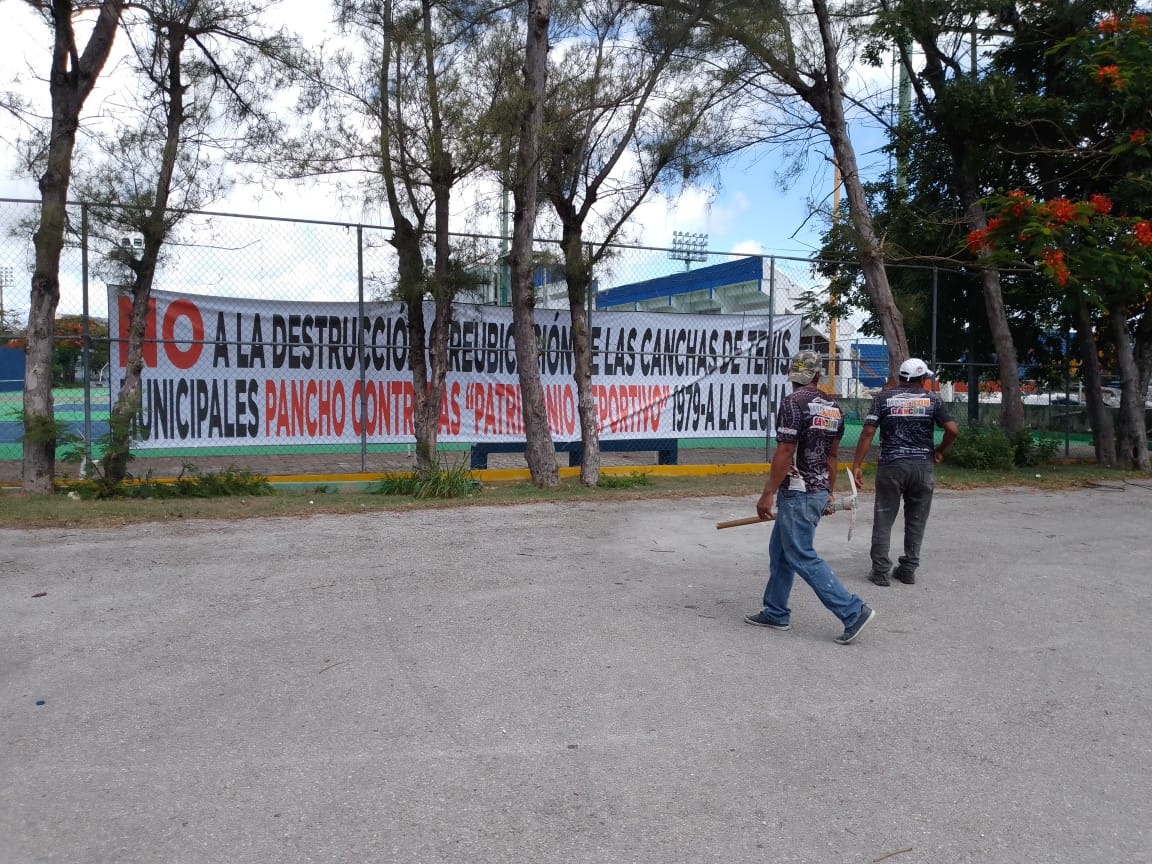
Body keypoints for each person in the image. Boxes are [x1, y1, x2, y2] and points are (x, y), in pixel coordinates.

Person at [744, 349, 876, 645]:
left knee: (801, 554)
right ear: (818, 376)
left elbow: (786, 451)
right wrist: (827, 494)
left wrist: (768, 494)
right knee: (781, 551)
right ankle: (776, 611)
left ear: (795, 377)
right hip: (815, 492)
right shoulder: (833, 408)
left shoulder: (793, 402)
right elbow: (831, 456)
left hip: (798, 493)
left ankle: (852, 611)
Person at [851, 358, 960, 587]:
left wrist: (857, 464)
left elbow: (868, 432)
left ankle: (880, 571)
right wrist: (939, 451)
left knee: (884, 516)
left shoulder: (883, 398)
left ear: (901, 377)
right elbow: (952, 430)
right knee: (917, 519)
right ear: (922, 379)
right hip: (923, 466)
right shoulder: (932, 400)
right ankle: (908, 569)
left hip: (891, 465)